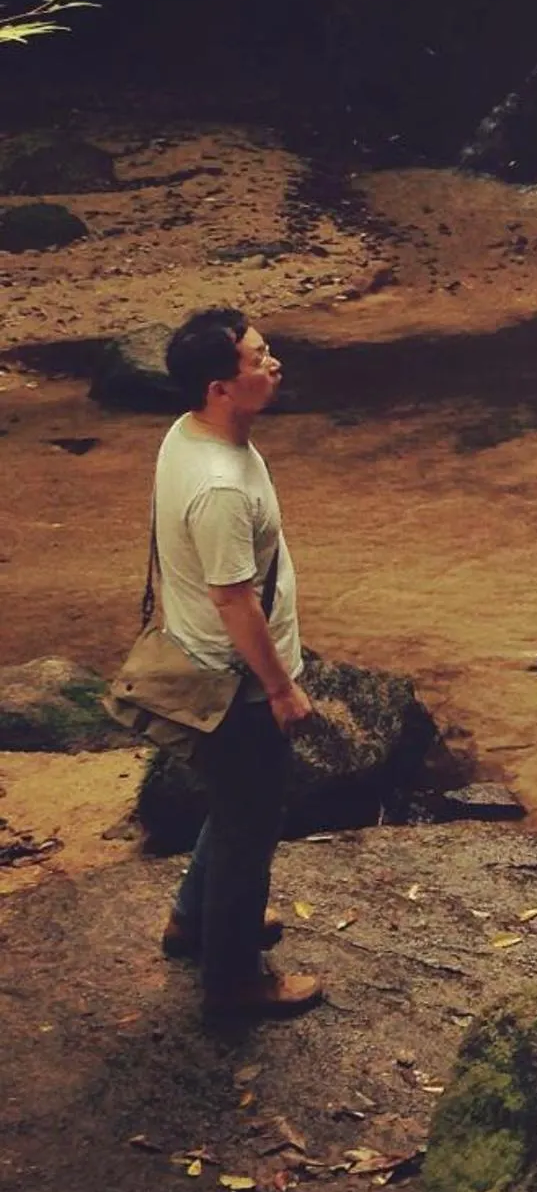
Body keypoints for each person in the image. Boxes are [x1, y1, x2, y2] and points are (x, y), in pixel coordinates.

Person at [153, 308, 325, 1018]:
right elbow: (233, 599)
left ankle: (192, 921)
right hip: (238, 686)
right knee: (251, 826)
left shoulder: (187, 433)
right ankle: (233, 981)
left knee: (233, 810)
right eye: (259, 359)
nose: (274, 364)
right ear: (222, 387)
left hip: (204, 663)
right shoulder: (220, 485)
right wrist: (281, 687)